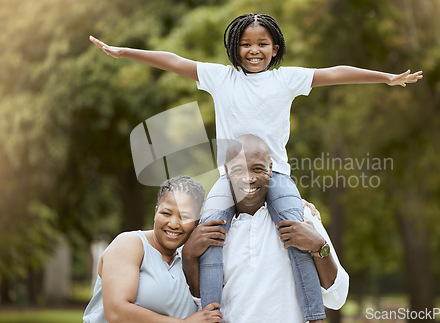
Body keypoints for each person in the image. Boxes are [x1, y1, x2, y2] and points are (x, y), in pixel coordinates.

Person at [89, 13, 421, 321]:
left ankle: (312, 313)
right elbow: (174, 61)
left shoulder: (286, 80)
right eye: (246, 44)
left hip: (276, 176)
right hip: (226, 178)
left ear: (275, 48)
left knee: (297, 231)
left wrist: (385, 77)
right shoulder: (221, 78)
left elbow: (334, 73)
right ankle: (210, 311)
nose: (253, 51)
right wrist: (125, 52)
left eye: (262, 44)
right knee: (209, 235)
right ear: (235, 47)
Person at [181, 134, 349, 323]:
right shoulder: (209, 231)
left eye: (257, 169)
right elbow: (194, 307)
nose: (249, 178)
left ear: (270, 169)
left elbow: (337, 298)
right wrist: (188, 255)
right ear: (226, 172)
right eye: (238, 170)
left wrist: (319, 246)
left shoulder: (302, 218)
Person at [83, 176, 223, 323]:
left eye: (184, 216)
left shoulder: (189, 258)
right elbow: (117, 313)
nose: (174, 224)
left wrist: (190, 256)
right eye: (166, 213)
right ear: (156, 212)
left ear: (197, 222)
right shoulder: (129, 244)